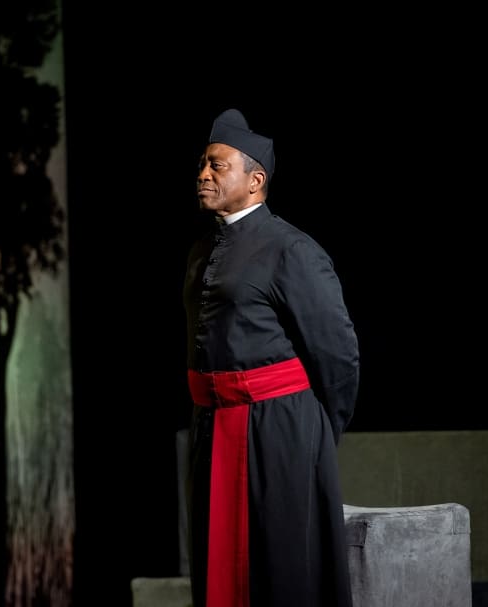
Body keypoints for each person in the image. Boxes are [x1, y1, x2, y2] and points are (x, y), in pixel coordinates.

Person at [183, 108, 360, 607]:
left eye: (217, 166)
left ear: (255, 180)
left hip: (279, 432)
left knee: (280, 572)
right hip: (212, 429)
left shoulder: (292, 250)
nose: (203, 174)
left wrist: (315, 435)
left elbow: (339, 356)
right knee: (215, 566)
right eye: (202, 164)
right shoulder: (200, 252)